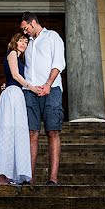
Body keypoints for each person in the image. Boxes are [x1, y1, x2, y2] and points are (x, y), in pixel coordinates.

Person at [19, 11, 66, 186]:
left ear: (33, 22)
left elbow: (59, 63)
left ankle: (53, 178)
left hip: (51, 90)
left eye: (25, 28)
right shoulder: (26, 44)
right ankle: (29, 177)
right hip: (30, 92)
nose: (24, 32)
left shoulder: (52, 36)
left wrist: (48, 84)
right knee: (32, 133)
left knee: (52, 131)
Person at [0, 33, 39, 185]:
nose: (24, 44)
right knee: (7, 132)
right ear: (15, 42)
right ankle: (1, 175)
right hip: (12, 94)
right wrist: (32, 88)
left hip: (17, 94)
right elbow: (15, 75)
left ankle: (15, 174)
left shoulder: (20, 59)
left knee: (18, 133)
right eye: (21, 41)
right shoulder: (12, 53)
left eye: (26, 41)